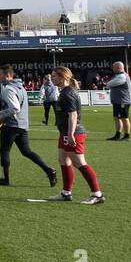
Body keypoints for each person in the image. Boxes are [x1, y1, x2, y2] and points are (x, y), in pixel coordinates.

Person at [0, 65, 57, 188]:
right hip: (22, 125)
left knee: (4, 150)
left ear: (8, 75)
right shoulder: (20, 87)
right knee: (27, 151)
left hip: (11, 125)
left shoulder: (9, 89)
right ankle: (48, 170)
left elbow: (15, 108)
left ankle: (5, 179)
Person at [47, 67, 104, 204]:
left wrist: (70, 134)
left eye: (54, 76)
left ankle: (97, 194)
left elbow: (73, 115)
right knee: (63, 160)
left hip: (72, 133)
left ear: (62, 77)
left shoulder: (68, 93)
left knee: (79, 162)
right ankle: (66, 193)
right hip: (65, 133)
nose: (52, 78)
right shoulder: (64, 92)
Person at [107, 61, 130, 141]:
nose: (113, 69)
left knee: (124, 118)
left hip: (122, 101)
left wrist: (108, 83)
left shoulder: (122, 76)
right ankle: (118, 135)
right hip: (118, 101)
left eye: (114, 67)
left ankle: (126, 136)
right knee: (117, 117)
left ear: (118, 67)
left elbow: (109, 84)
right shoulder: (119, 76)